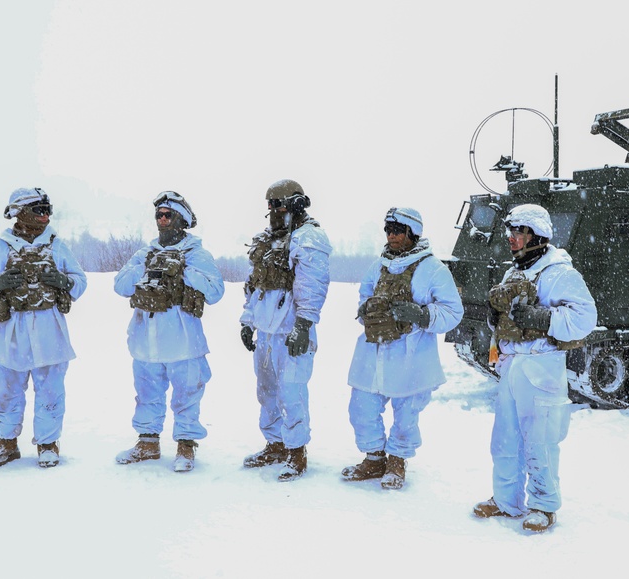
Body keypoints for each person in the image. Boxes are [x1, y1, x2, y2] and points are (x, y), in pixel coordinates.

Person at [472, 203, 596, 532]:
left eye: (519, 231)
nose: (511, 237)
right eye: (510, 231)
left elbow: (585, 319)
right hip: (512, 365)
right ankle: (506, 500)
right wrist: (494, 316)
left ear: (536, 235)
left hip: (542, 366)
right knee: (505, 438)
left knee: (540, 439)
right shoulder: (513, 273)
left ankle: (543, 504)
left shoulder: (560, 273)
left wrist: (541, 318)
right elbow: (503, 318)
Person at [343, 207, 463, 490]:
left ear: (412, 233)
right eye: (388, 229)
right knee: (360, 406)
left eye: (398, 230)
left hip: (411, 353)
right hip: (373, 349)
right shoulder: (378, 265)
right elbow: (364, 296)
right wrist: (369, 311)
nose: (391, 235)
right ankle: (374, 457)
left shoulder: (433, 269)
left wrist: (420, 315)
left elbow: (453, 311)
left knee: (407, 413)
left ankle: (397, 459)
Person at [0, 187, 88, 469]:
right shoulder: (1, 246)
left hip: (50, 329)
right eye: (39, 210)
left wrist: (64, 282)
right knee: (6, 389)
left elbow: (80, 280)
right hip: (12, 330)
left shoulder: (56, 245)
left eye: (48, 209)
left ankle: (48, 443)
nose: (45, 215)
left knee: (50, 390)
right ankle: (7, 444)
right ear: (20, 212)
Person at [113, 191, 225, 472]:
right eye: (158, 215)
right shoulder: (145, 253)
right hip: (145, 340)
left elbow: (215, 291)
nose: (162, 220)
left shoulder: (197, 254)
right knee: (146, 393)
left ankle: (186, 446)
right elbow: (120, 285)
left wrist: (183, 268)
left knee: (187, 394)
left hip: (183, 341)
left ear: (181, 219)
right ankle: (148, 443)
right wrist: (148, 266)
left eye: (168, 215)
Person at [239, 179, 331, 482]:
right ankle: (275, 444)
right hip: (266, 331)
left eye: (278, 205)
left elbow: (312, 286)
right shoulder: (267, 240)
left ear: (294, 204)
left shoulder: (308, 238)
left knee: (291, 392)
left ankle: (296, 451)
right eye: (270, 206)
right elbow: (256, 287)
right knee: (266, 392)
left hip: (292, 330)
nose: (273, 211)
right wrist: (247, 321)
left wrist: (303, 325)